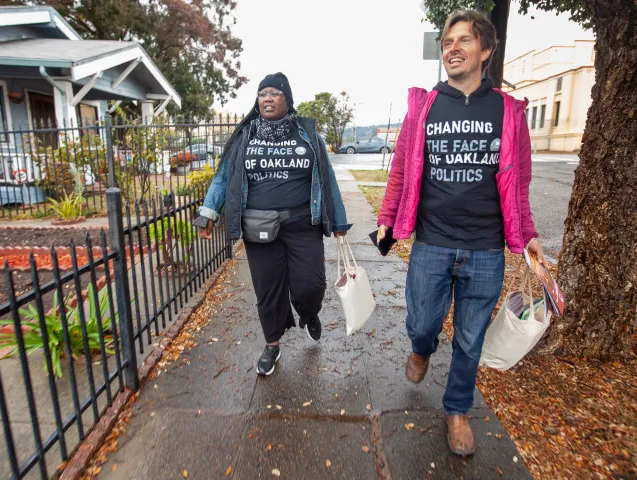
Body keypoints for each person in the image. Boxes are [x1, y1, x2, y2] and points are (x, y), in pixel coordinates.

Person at [376, 10, 546, 456]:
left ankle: (456, 410)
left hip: (486, 249)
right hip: (432, 241)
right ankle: (421, 347)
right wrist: (388, 217)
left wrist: (527, 236)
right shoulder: (425, 106)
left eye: (464, 40)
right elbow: (402, 170)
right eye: (448, 41)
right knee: (422, 321)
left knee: (470, 339)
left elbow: (520, 180)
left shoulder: (509, 112)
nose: (451, 48)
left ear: (486, 51)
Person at [196, 72, 351, 376]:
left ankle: (308, 312)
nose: (267, 98)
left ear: (287, 99)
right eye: (262, 93)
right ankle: (272, 345)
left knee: (312, 285)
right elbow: (223, 176)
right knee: (267, 290)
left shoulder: (308, 135)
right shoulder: (246, 136)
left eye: (274, 93)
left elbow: (327, 178)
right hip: (259, 227)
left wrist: (340, 220)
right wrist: (208, 212)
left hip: (302, 223)